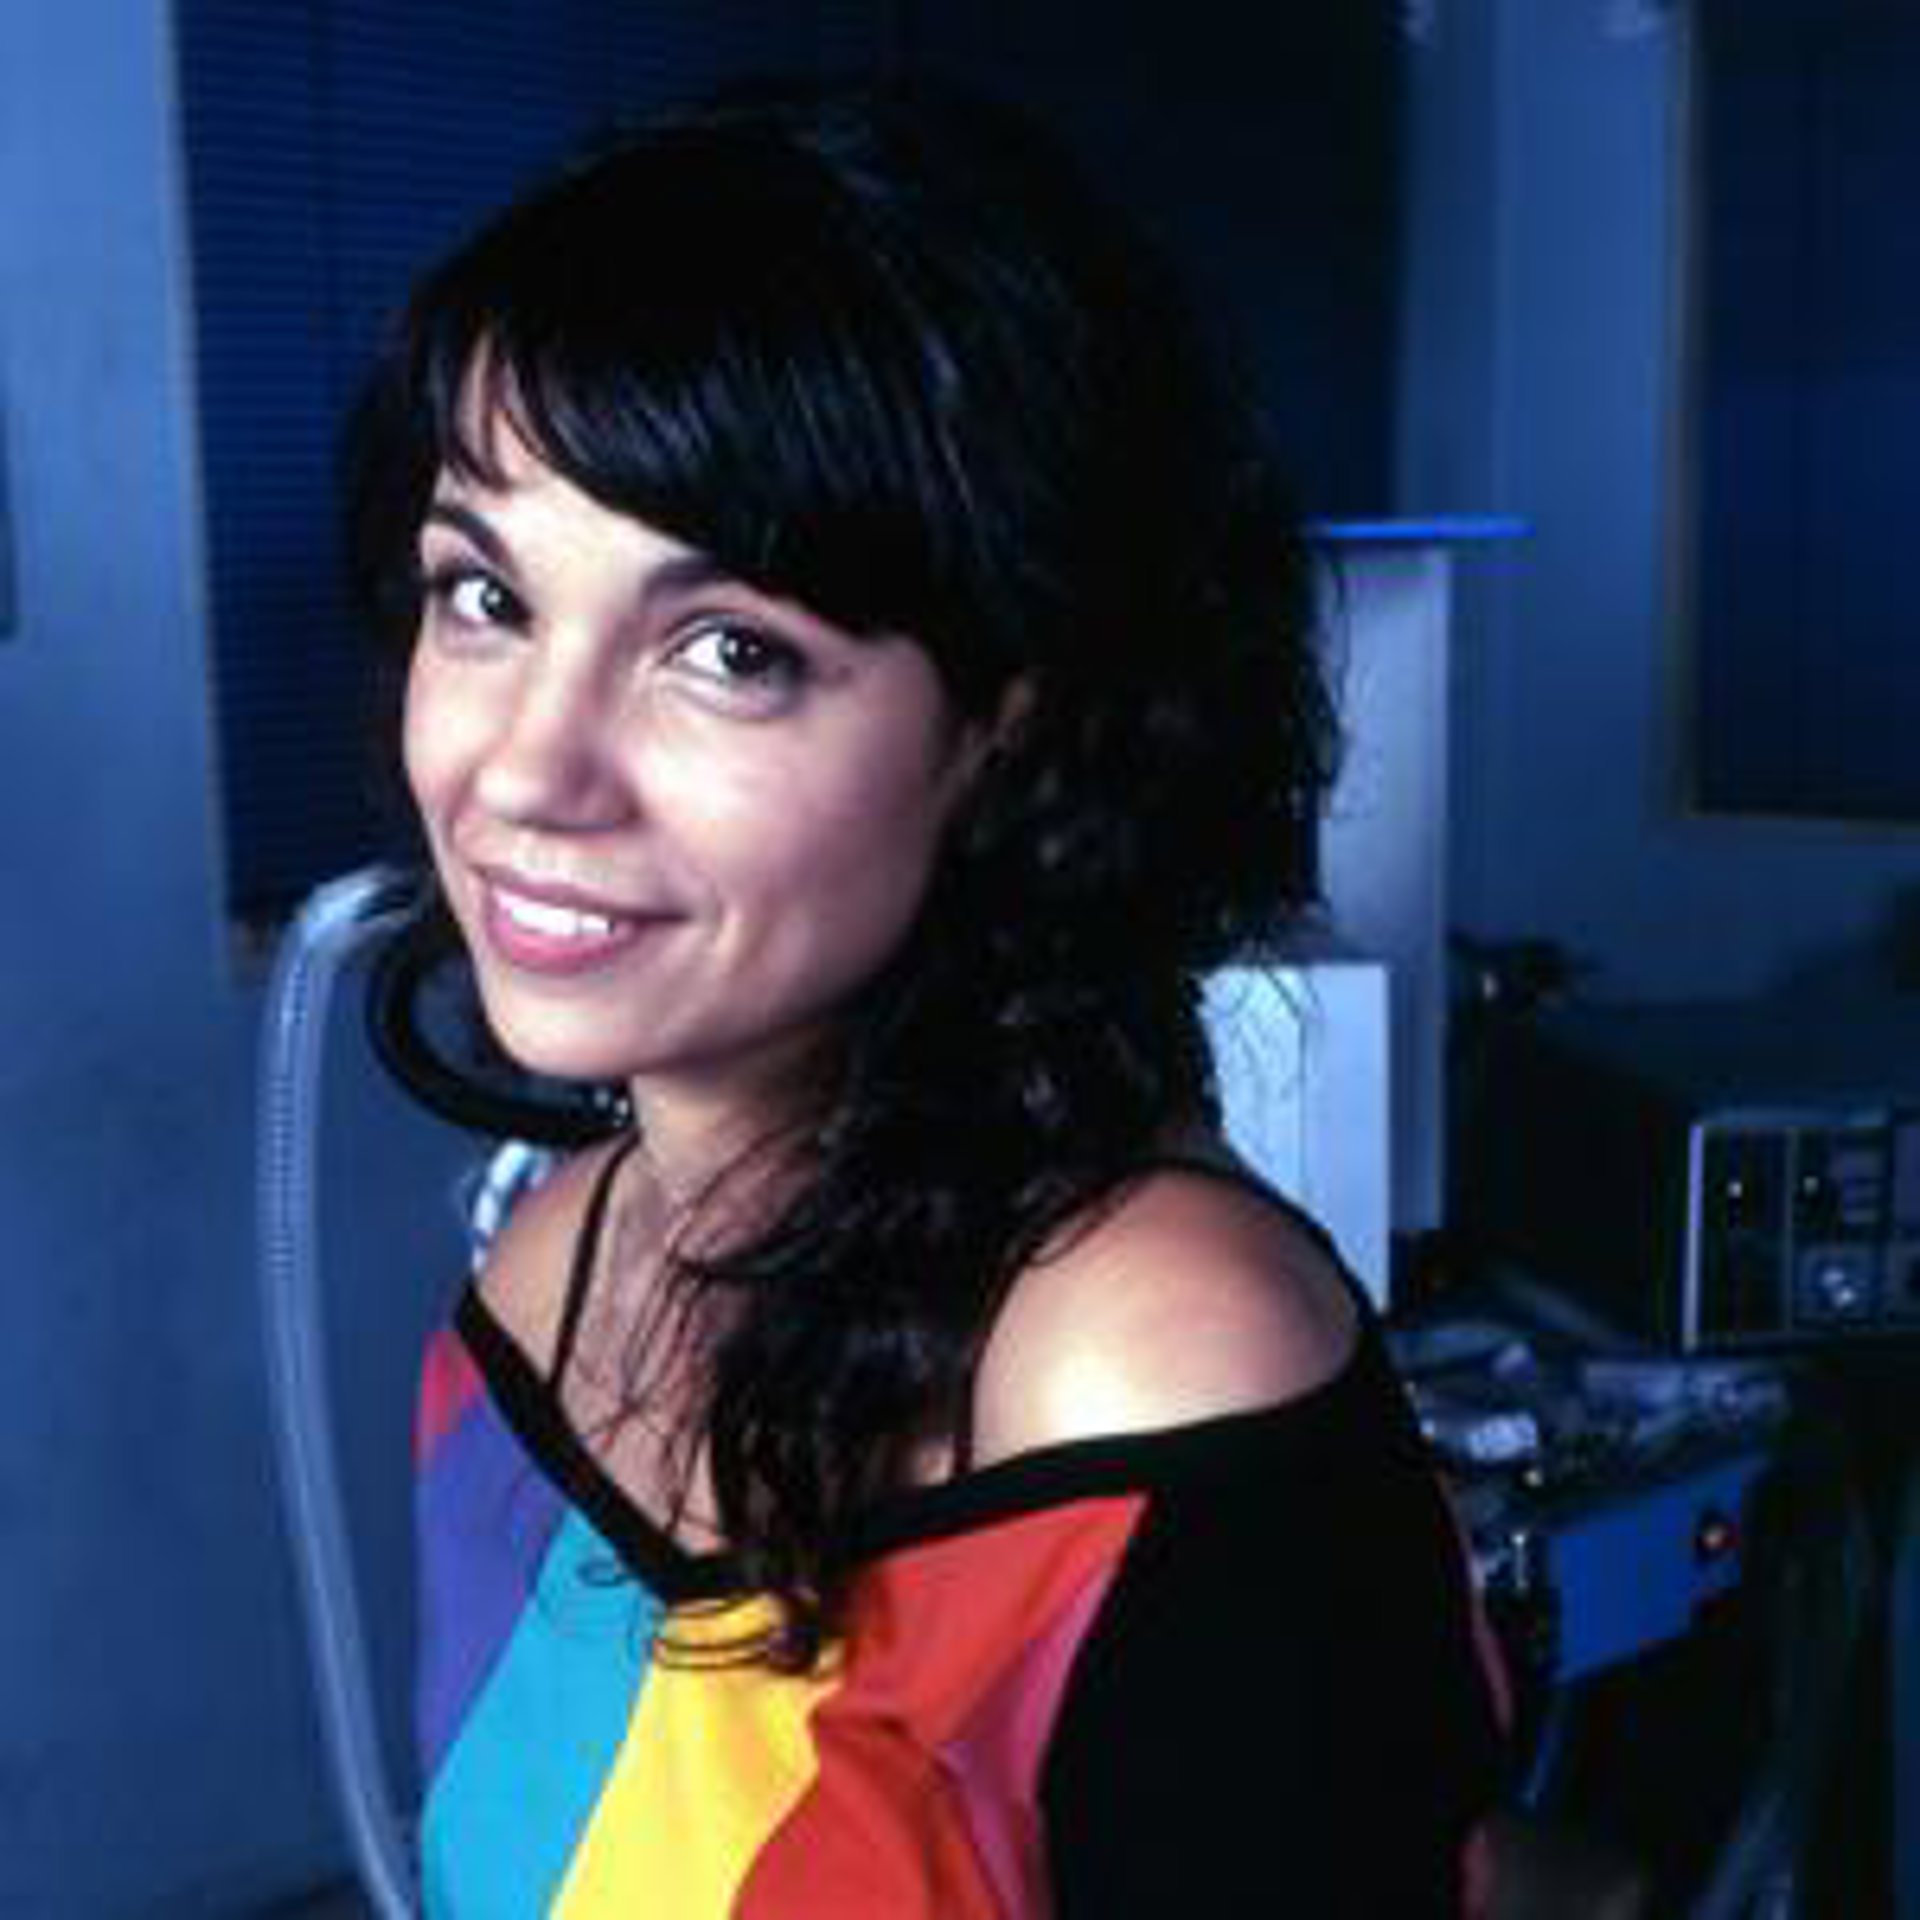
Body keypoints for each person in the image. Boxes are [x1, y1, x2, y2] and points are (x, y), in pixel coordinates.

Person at [349, 75, 1505, 1917]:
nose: (526, 773)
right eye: (484, 596)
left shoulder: (1140, 1368)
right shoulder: (540, 1281)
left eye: (729, 650)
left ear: (1009, 727)